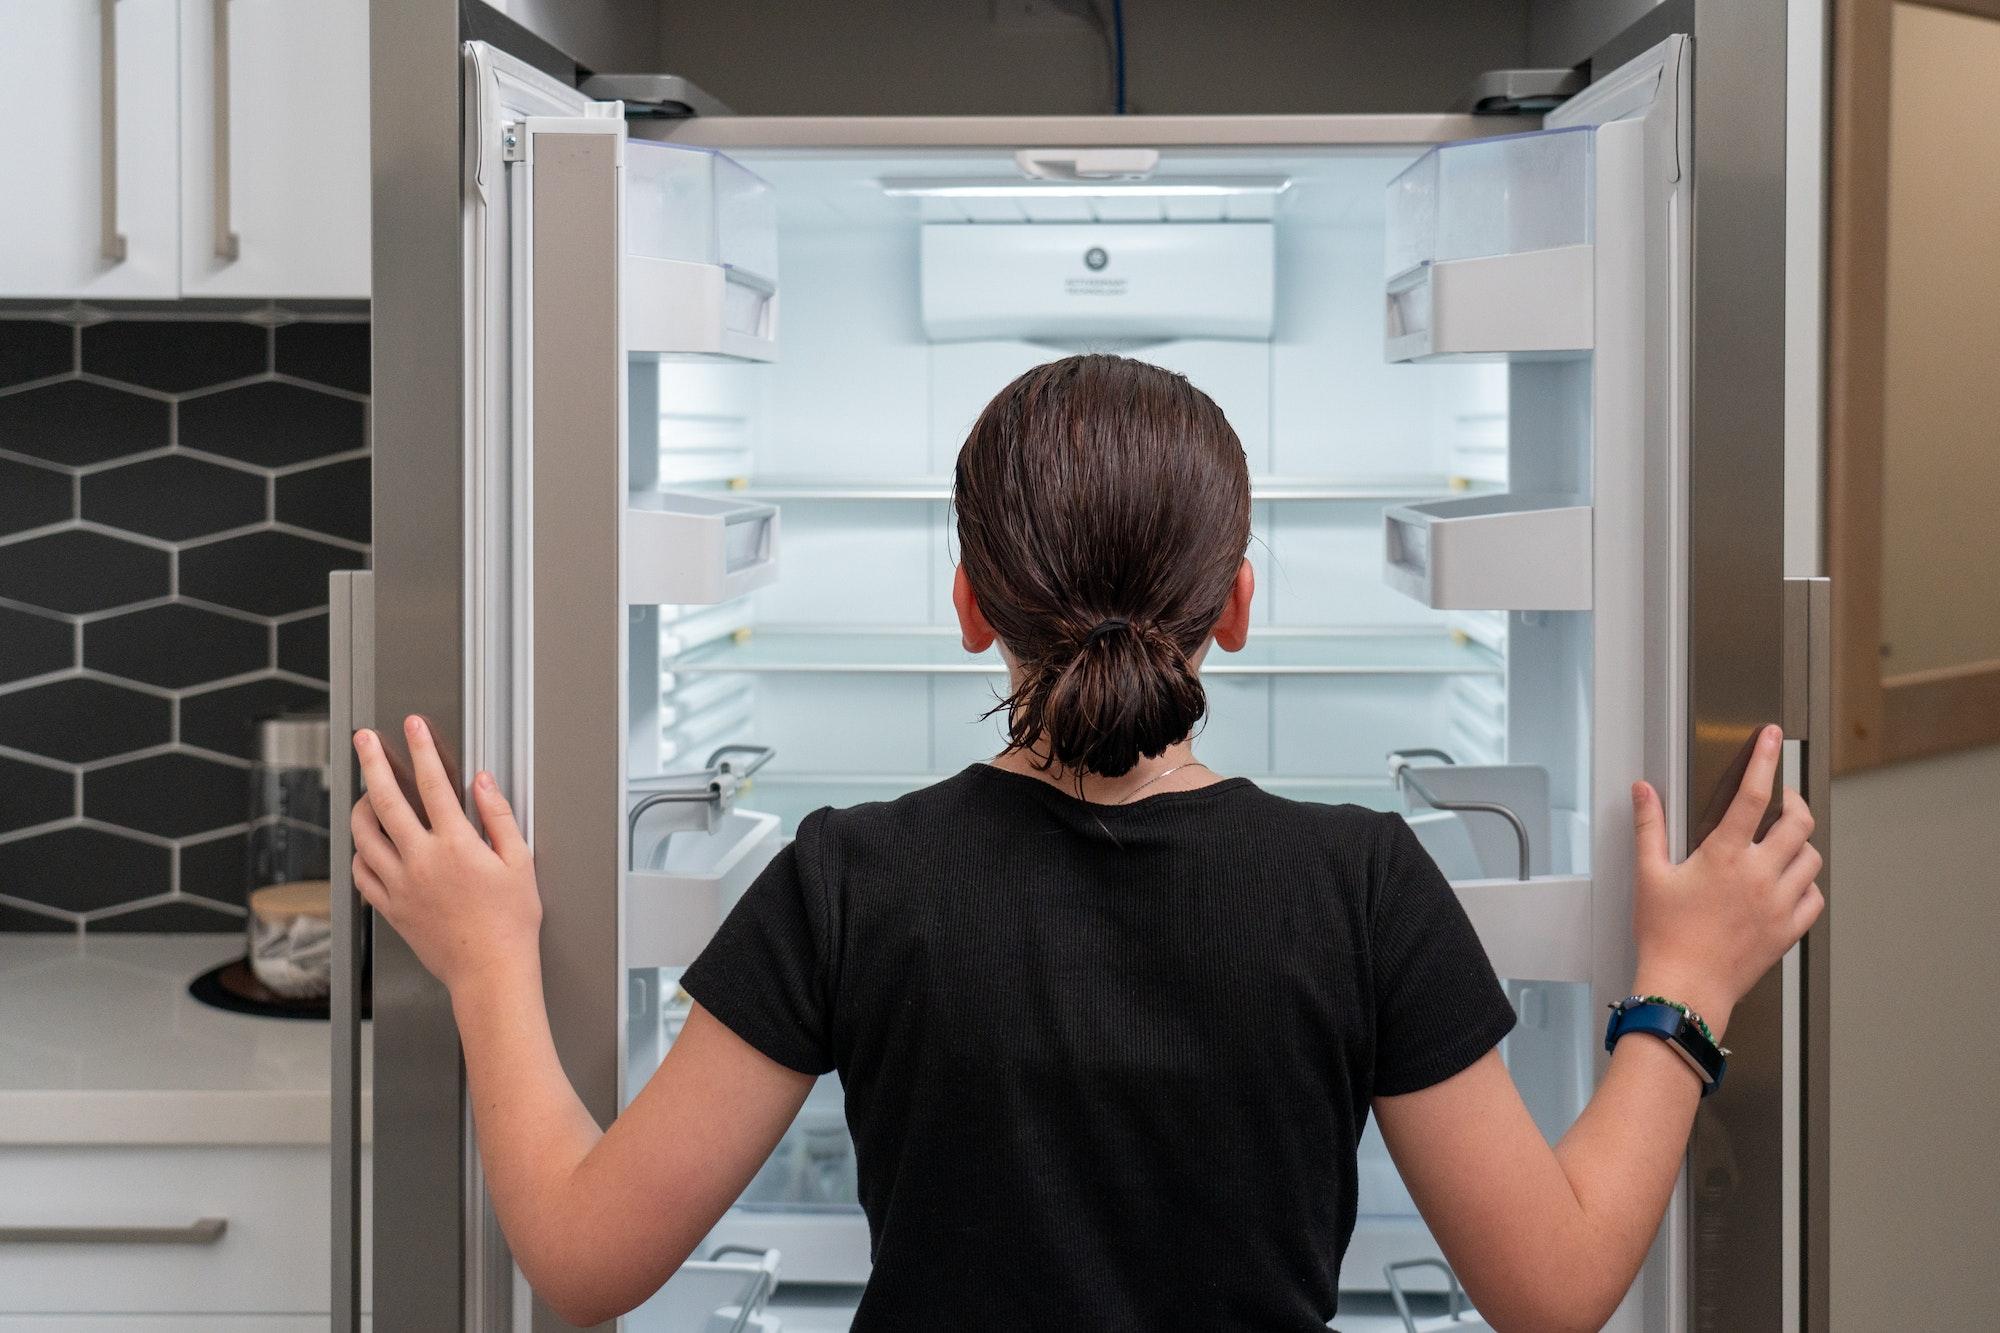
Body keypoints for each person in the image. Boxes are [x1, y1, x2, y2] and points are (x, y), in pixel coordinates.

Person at [349, 355, 1822, 1331]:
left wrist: (486, 957)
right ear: (1239, 602)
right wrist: (1687, 978)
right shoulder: (1361, 883)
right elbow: (1555, 1287)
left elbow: (585, 1261)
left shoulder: (852, 877)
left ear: (969, 602)